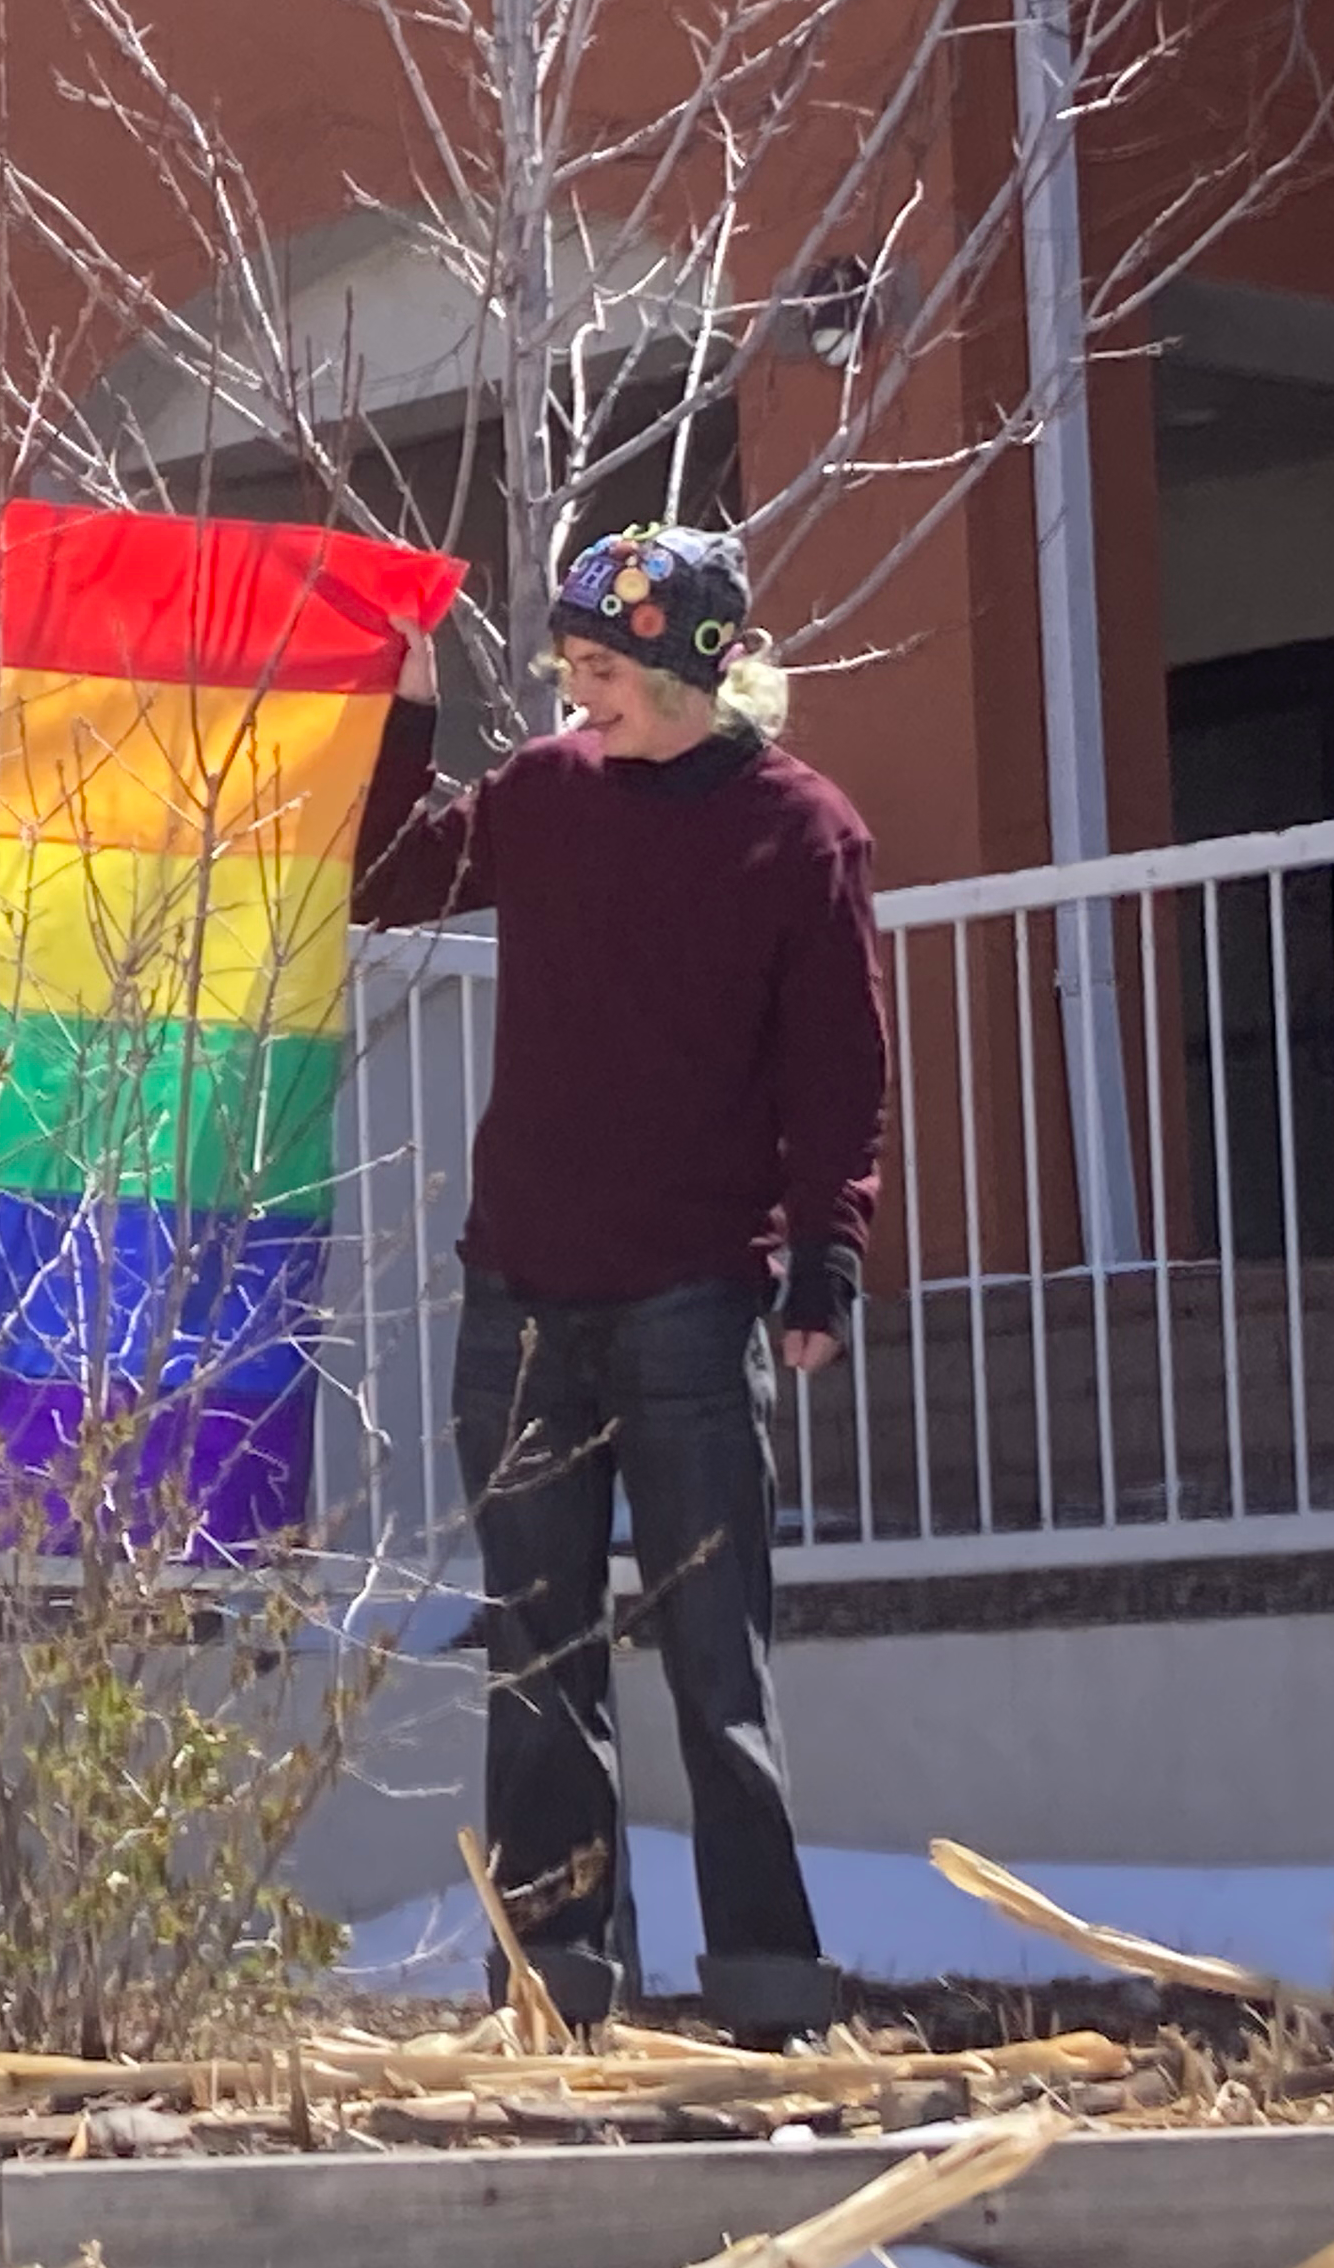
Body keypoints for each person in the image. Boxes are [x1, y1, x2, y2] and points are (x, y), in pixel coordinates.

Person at [351, 525, 889, 2046]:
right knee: (539, 1658)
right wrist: (403, 714)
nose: (579, 702)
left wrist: (825, 1258)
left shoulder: (805, 835)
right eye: (572, 672)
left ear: (697, 669)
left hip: (692, 1305)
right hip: (521, 1293)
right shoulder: (545, 795)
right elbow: (384, 881)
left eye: (605, 674)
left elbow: (839, 1077)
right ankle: (556, 1990)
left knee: (719, 1664)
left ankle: (775, 1996)